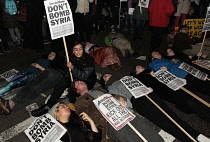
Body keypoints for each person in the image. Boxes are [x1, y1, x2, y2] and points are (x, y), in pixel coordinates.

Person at [99, 73, 210, 142]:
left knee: (171, 115)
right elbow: (118, 99)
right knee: (163, 120)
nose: (108, 74)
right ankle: (189, 138)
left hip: (148, 95)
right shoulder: (111, 86)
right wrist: (125, 102)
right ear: (105, 81)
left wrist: (147, 88)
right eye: (105, 76)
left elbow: (140, 84)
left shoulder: (126, 78)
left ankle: (197, 134)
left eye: (108, 74)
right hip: (137, 100)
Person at [72, 81, 164, 142]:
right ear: (76, 90)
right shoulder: (79, 103)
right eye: (78, 83)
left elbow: (114, 96)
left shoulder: (98, 89)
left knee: (148, 132)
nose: (81, 82)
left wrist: (120, 98)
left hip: (125, 113)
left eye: (81, 81)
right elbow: (87, 118)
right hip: (110, 123)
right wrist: (98, 102)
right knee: (131, 139)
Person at [130, 65, 210, 123]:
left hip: (171, 87)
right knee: (190, 101)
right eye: (138, 67)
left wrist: (163, 71)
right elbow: (149, 84)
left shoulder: (149, 72)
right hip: (166, 91)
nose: (141, 66)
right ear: (136, 73)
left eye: (141, 66)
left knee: (193, 98)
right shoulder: (141, 78)